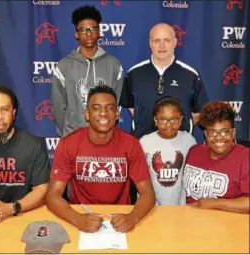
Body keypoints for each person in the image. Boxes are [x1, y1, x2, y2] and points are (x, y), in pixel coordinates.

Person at [46, 85, 155, 233]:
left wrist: (132, 217)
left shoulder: (131, 144)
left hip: (119, 218)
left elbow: (147, 193)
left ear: (117, 114)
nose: (103, 113)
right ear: (87, 114)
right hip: (81, 215)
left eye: (110, 108)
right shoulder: (68, 144)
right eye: (96, 108)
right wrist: (77, 218)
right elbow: (53, 195)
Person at [0, 85, 50, 224]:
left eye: (5, 109)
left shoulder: (33, 145)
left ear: (13, 113)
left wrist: (12, 207)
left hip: (21, 217)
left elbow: (42, 190)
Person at [119, 23, 209, 139]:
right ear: (150, 44)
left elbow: (198, 112)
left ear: (175, 42)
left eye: (167, 40)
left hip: (180, 146)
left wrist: (185, 126)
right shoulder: (134, 73)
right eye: (157, 41)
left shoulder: (190, 75)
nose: (162, 45)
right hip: (142, 145)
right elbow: (132, 107)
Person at [52, 5, 123, 138]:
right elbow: (58, 107)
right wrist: (69, 133)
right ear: (76, 34)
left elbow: (116, 103)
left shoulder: (114, 64)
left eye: (92, 29)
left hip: (105, 136)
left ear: (99, 32)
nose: (89, 33)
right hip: (73, 136)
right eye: (83, 30)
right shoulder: (64, 66)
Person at [183, 101, 249, 214]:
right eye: (212, 132)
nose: (218, 137)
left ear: (233, 133)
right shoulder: (194, 151)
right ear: (205, 134)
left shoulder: (245, 157)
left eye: (224, 132)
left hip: (228, 226)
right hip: (191, 222)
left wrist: (213, 203)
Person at [140, 96, 196, 205]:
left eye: (173, 119)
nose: (168, 124)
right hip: (151, 206)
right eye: (163, 119)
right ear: (156, 120)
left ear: (180, 120)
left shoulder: (189, 140)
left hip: (180, 206)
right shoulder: (145, 142)